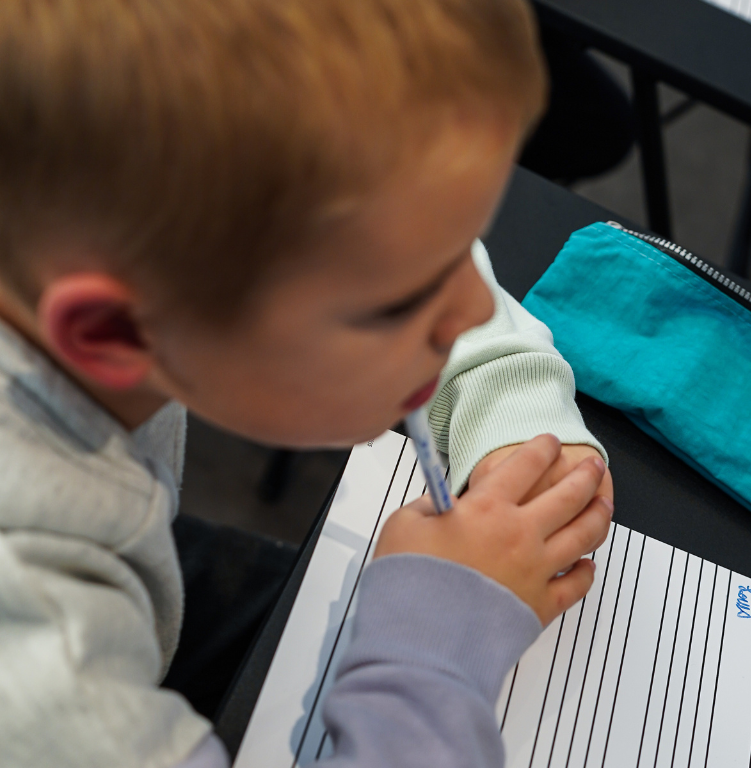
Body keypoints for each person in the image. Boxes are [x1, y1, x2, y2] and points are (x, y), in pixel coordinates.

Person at [0, 1, 614, 766]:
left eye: (459, 249)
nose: (474, 309)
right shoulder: (40, 663)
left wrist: (508, 405)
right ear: (114, 335)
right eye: (403, 303)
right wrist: (430, 654)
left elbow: (379, 231)